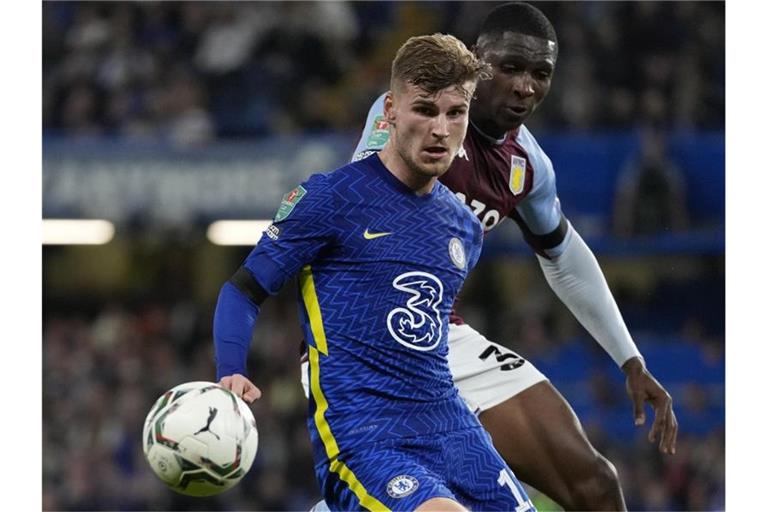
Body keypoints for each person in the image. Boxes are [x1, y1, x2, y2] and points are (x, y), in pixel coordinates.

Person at [339, 3, 679, 510]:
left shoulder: (528, 166)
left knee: (595, 483)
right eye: (511, 67)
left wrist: (630, 359)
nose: (526, 86)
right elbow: (364, 201)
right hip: (365, 339)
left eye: (540, 74)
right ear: (476, 62)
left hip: (440, 333)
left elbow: (563, 255)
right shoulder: (415, 111)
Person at [214, 33, 535, 511]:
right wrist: (231, 372)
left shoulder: (465, 227)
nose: (441, 130)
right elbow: (242, 292)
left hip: (450, 426)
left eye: (455, 113)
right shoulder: (332, 199)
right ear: (390, 110)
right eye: (425, 110)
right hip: (366, 436)